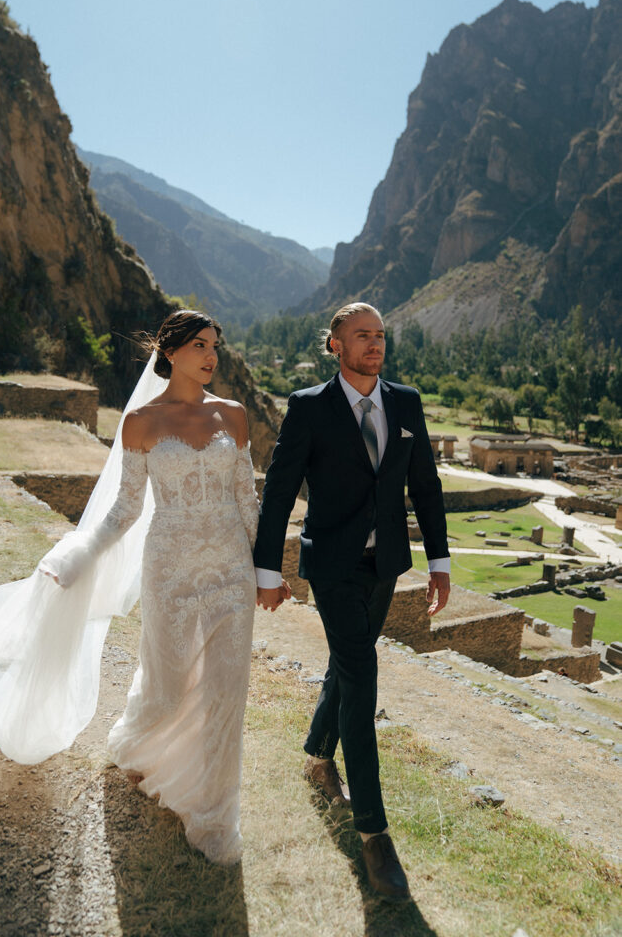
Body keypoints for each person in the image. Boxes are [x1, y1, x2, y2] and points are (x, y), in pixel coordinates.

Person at [0, 309, 262, 864]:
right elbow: (124, 510)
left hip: (230, 574)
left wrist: (267, 571)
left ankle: (214, 819)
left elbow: (248, 501)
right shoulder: (142, 423)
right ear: (170, 352)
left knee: (226, 694)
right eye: (199, 345)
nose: (211, 355)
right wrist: (78, 554)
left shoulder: (235, 416)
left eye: (215, 345)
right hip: (169, 570)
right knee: (169, 688)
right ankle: (136, 744)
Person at [254, 302, 450, 901]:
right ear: (335, 344)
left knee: (349, 661)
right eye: (362, 335)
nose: (375, 344)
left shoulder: (407, 402)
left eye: (380, 335)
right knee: (362, 677)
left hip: (386, 563)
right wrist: (266, 568)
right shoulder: (309, 406)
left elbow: (426, 485)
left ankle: (317, 753)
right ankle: (373, 834)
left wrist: (439, 561)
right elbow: (281, 488)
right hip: (332, 567)